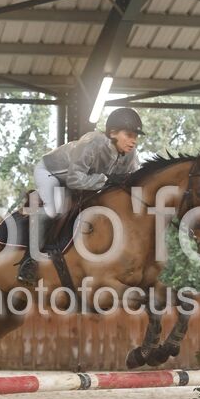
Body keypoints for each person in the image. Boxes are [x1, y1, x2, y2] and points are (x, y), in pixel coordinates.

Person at [18, 107, 145, 285]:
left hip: (83, 183)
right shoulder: (93, 142)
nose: (133, 141)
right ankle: (28, 262)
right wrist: (106, 179)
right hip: (51, 173)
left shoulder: (130, 154)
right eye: (129, 135)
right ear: (112, 133)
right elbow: (74, 180)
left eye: (136, 136)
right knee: (53, 209)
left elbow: (136, 181)